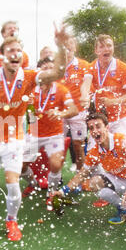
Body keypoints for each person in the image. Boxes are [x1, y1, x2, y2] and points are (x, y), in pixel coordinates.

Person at [0, 27, 67, 242]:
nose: (15, 53)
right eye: (10, 50)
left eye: (19, 50)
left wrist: (60, 45)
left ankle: (11, 220)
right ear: (2, 57)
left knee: (13, 183)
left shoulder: (30, 77)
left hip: (14, 140)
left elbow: (58, 73)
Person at [51, 112, 126, 223]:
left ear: (107, 127)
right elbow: (82, 174)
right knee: (96, 184)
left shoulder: (120, 140)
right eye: (91, 128)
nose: (95, 131)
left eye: (98, 126)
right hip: (123, 178)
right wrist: (62, 191)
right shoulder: (95, 152)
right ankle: (125, 209)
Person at [20, 57, 78, 205]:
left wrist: (61, 114)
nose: (48, 72)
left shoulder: (61, 89)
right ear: (39, 72)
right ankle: (33, 184)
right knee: (21, 166)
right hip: (34, 133)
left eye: (51, 69)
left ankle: (52, 192)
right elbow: (27, 115)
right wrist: (29, 106)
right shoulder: (31, 88)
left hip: (54, 135)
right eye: (44, 69)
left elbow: (73, 109)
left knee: (56, 164)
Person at [85, 34, 126, 143]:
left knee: (121, 149)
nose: (106, 49)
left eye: (109, 46)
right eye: (102, 47)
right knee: (94, 153)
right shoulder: (91, 67)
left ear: (113, 48)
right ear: (96, 50)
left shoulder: (122, 67)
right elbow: (85, 85)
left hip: (122, 118)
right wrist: (85, 96)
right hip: (101, 120)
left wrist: (114, 101)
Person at [59, 29, 93, 171]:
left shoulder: (84, 65)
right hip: (60, 113)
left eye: (70, 45)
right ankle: (56, 178)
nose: (67, 48)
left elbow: (87, 82)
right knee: (58, 146)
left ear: (74, 47)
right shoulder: (56, 67)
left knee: (78, 145)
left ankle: (81, 177)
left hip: (78, 112)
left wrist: (85, 95)